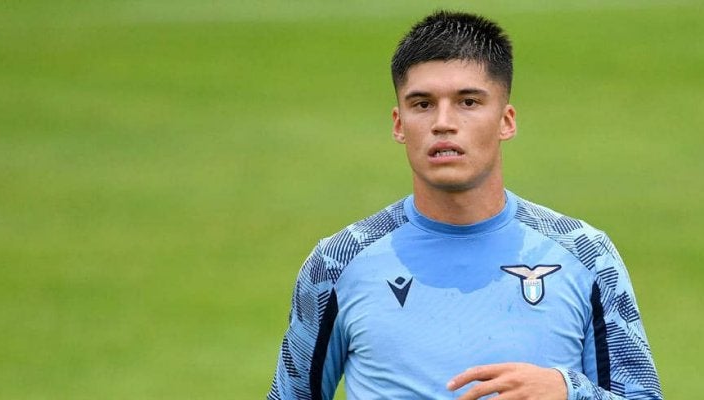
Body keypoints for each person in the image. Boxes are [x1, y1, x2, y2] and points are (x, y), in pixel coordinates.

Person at [266, 10, 661, 400]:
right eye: (422, 104)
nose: (443, 122)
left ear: (506, 121)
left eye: (468, 102)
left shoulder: (586, 255)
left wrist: (568, 392)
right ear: (399, 124)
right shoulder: (337, 263)